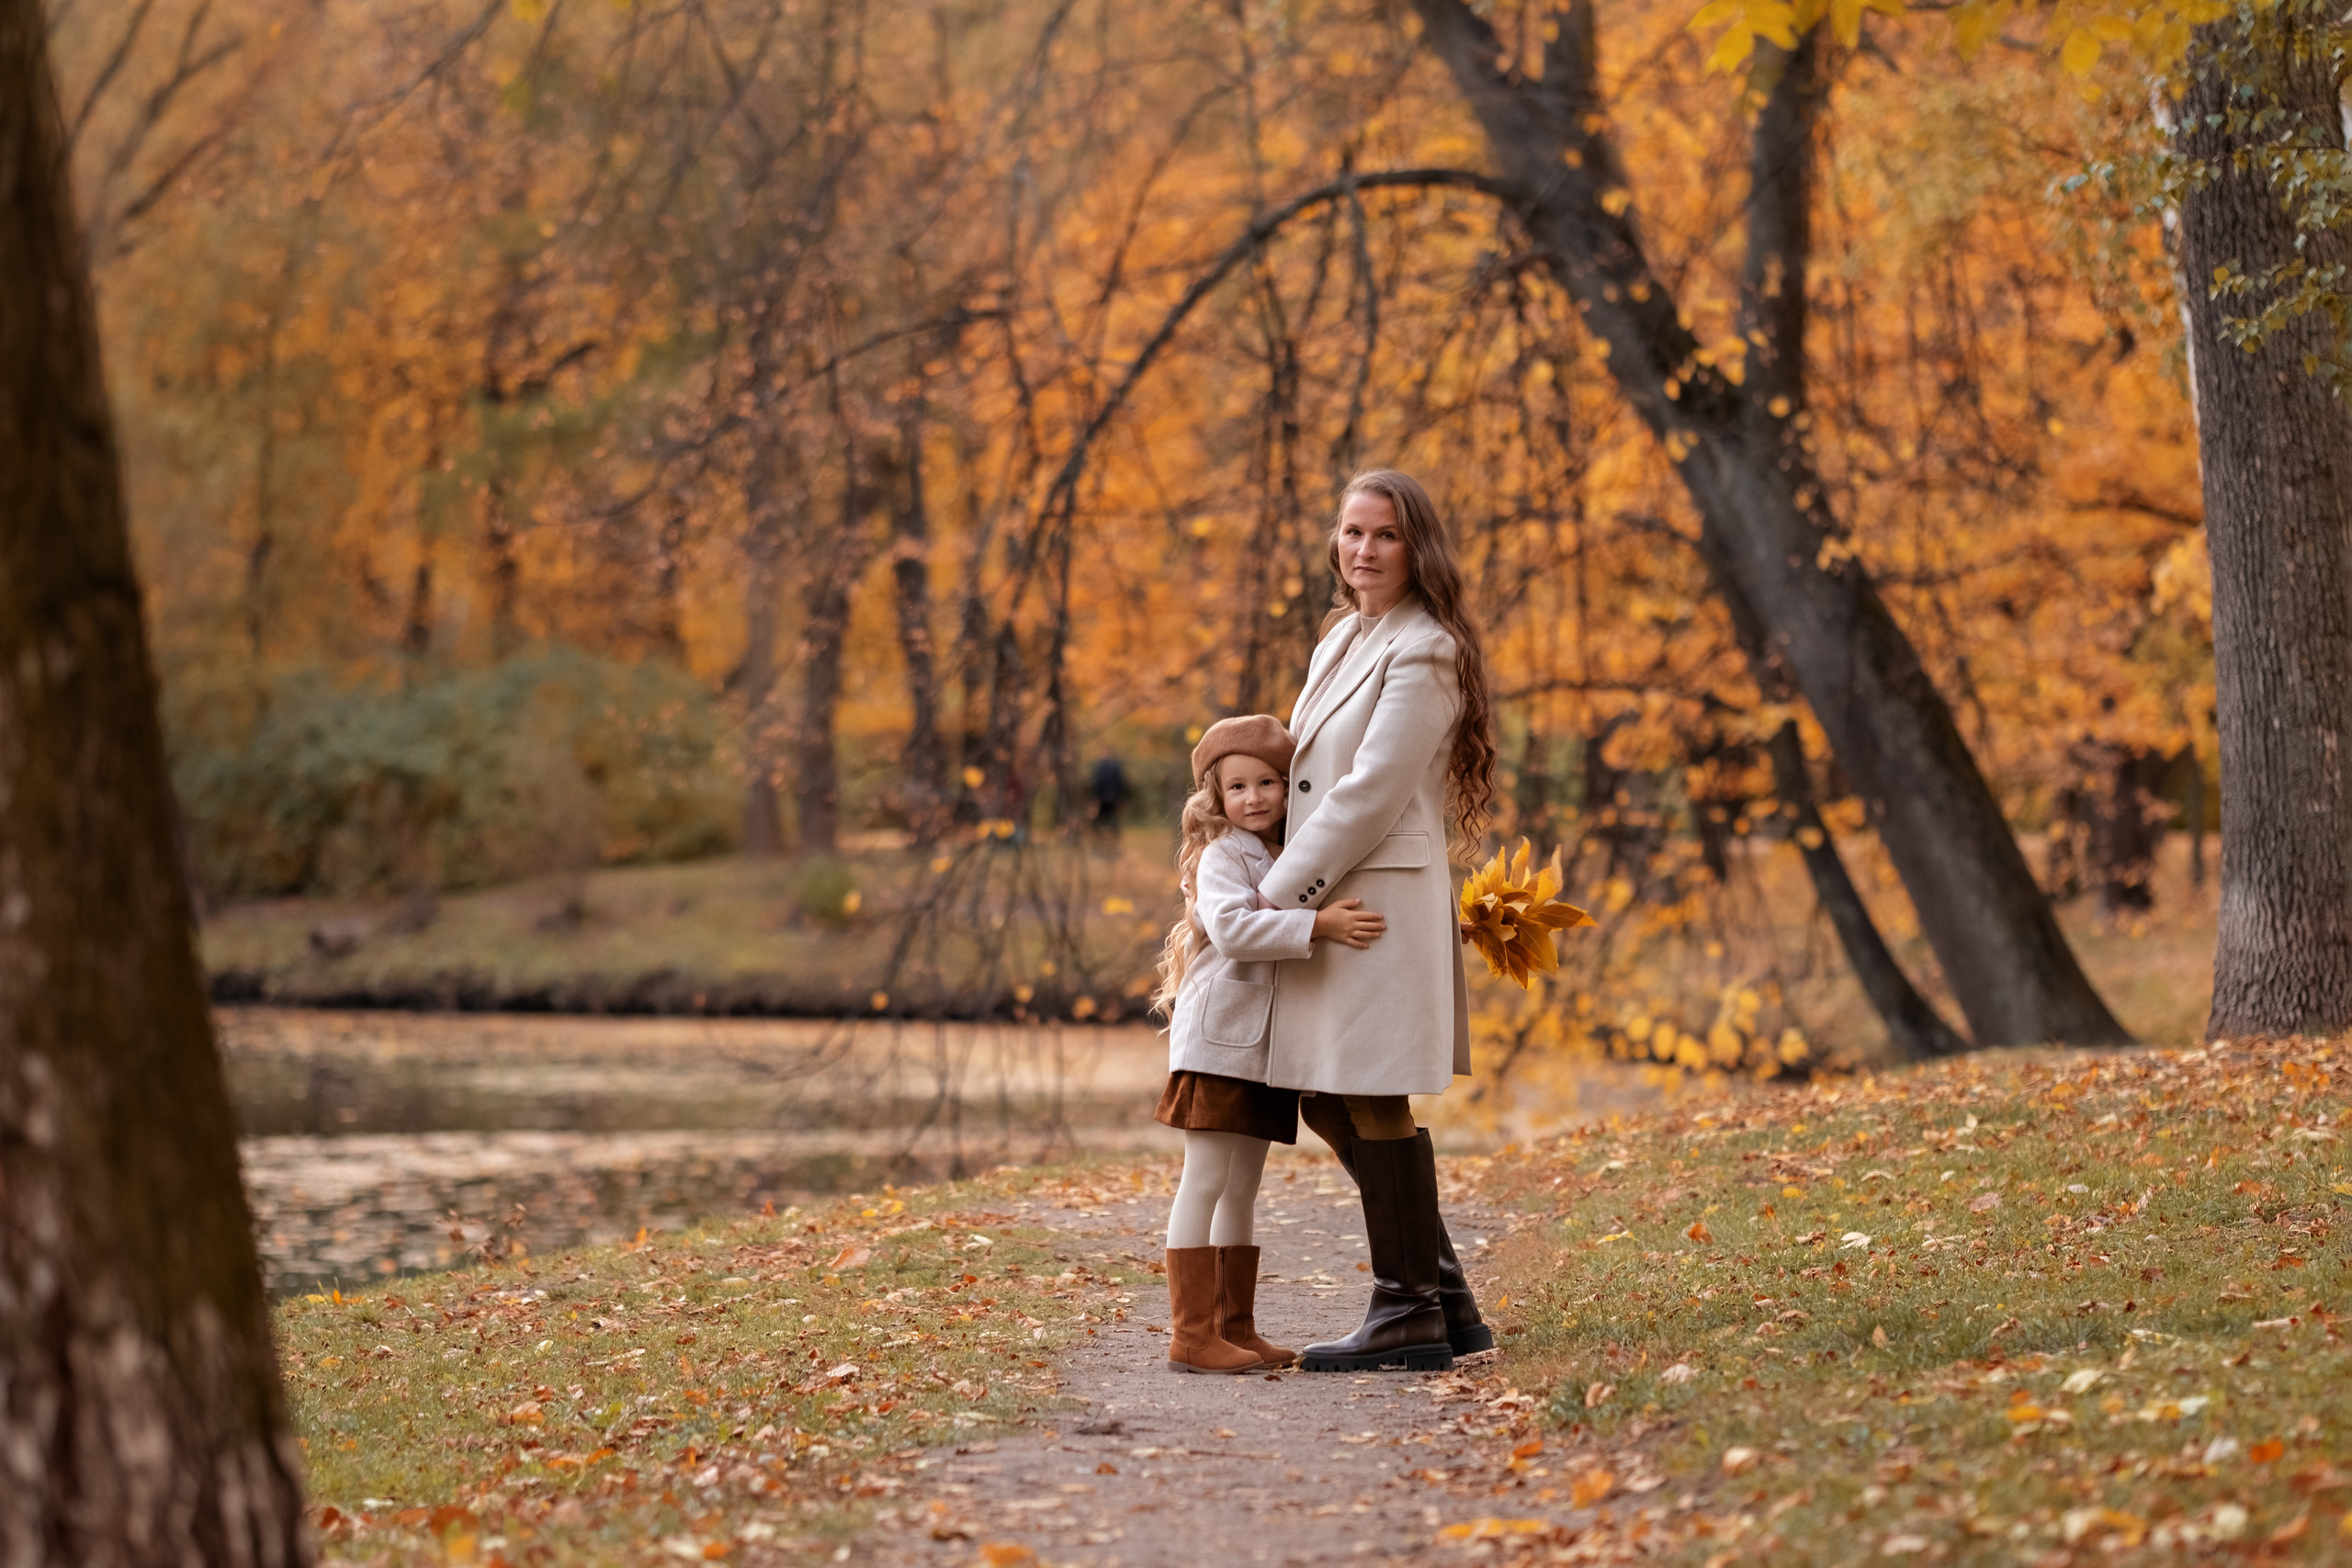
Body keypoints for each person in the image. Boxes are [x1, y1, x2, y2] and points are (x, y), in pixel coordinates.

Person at [1259, 468, 1500, 1374]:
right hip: (1329, 889)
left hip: (1373, 897)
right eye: (1352, 532)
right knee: (1324, 1089)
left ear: (1417, 547)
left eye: (1384, 535)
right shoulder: (1340, 639)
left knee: (1368, 1089)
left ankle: (1406, 1312)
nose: (1362, 550)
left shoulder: (1425, 648)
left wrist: (1277, 894)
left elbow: (1368, 794)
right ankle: (1443, 1299)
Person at [1150, 715, 1386, 1373]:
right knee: (1205, 1180)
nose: (1253, 797)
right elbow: (1231, 928)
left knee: (1242, 1189)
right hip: (1218, 1045)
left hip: (1258, 1054)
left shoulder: (1286, 857)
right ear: (1215, 798)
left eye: (1268, 783)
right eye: (1237, 787)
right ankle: (1190, 1335)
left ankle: (1235, 1325)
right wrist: (1319, 925)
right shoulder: (1222, 854)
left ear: (1290, 788)